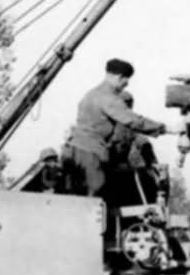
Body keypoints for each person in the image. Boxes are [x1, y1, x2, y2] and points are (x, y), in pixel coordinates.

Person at [62, 58, 179, 197]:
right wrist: (166, 129)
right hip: (90, 152)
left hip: (71, 150)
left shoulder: (91, 94)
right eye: (126, 80)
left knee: (75, 195)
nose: (126, 84)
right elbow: (133, 121)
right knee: (94, 195)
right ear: (119, 78)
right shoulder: (109, 97)